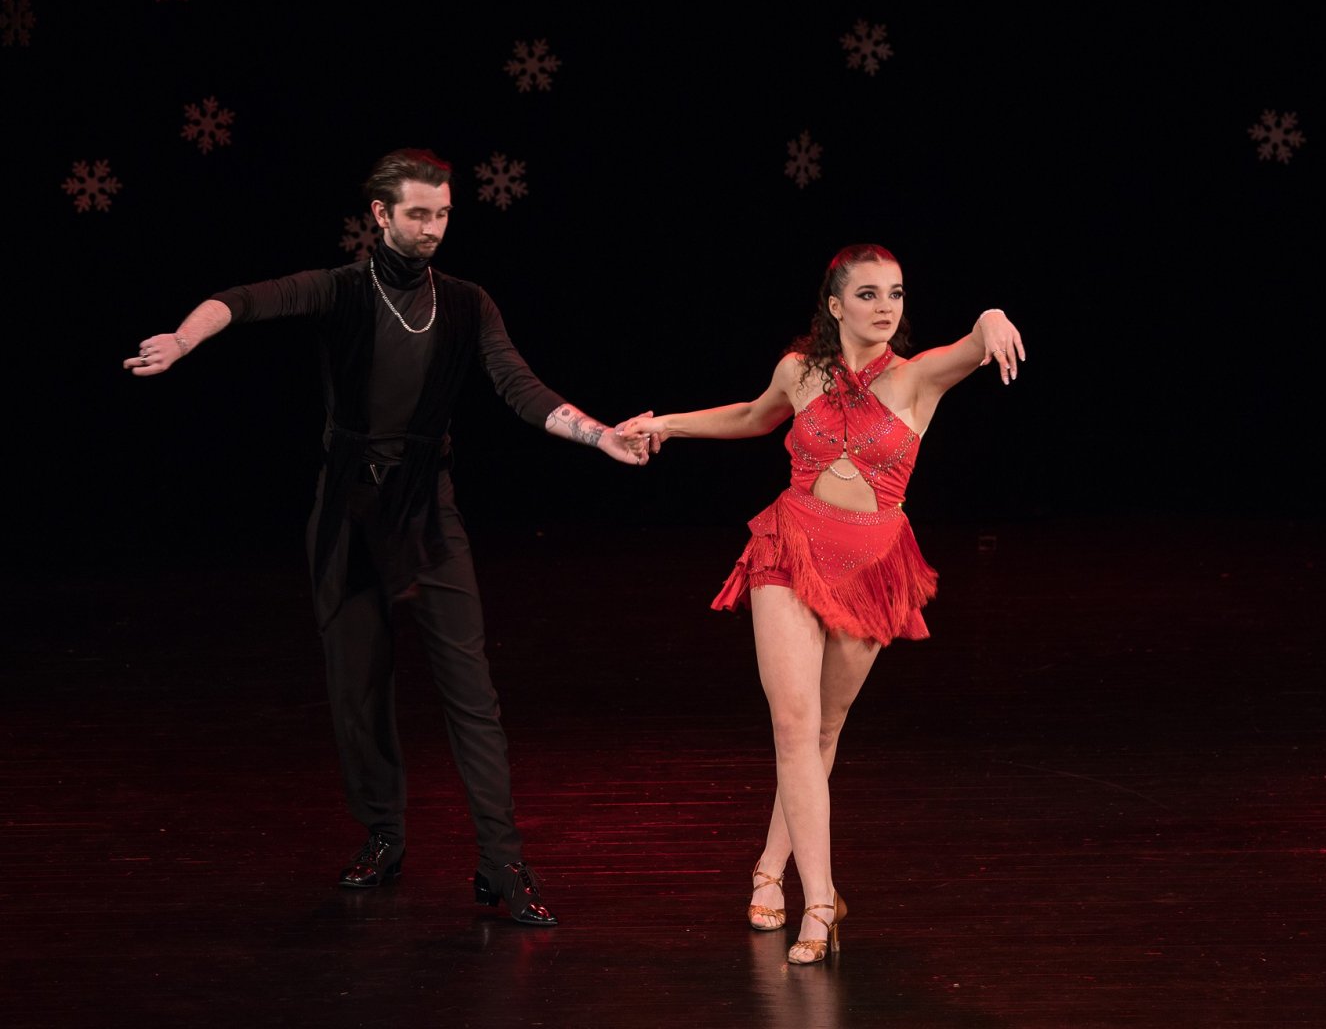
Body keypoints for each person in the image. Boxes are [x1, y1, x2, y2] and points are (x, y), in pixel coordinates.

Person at [122, 147, 649, 926]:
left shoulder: (466, 303)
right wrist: (183, 337)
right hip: (349, 510)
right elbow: (241, 301)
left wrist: (600, 435)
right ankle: (383, 835)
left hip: (427, 508)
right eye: (418, 214)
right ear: (381, 214)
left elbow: (518, 385)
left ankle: (502, 862)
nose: (433, 228)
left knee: (472, 693)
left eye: (443, 215)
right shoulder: (340, 289)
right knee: (358, 689)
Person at [618, 243, 1025, 963]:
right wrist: (667, 424)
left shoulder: (916, 377)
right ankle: (820, 901)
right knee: (793, 723)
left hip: (870, 566)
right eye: (868, 294)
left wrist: (991, 315)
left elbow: (971, 343)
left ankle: (768, 867)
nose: (885, 307)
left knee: (824, 729)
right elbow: (753, 415)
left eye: (895, 293)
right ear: (835, 305)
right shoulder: (798, 371)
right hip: (791, 545)